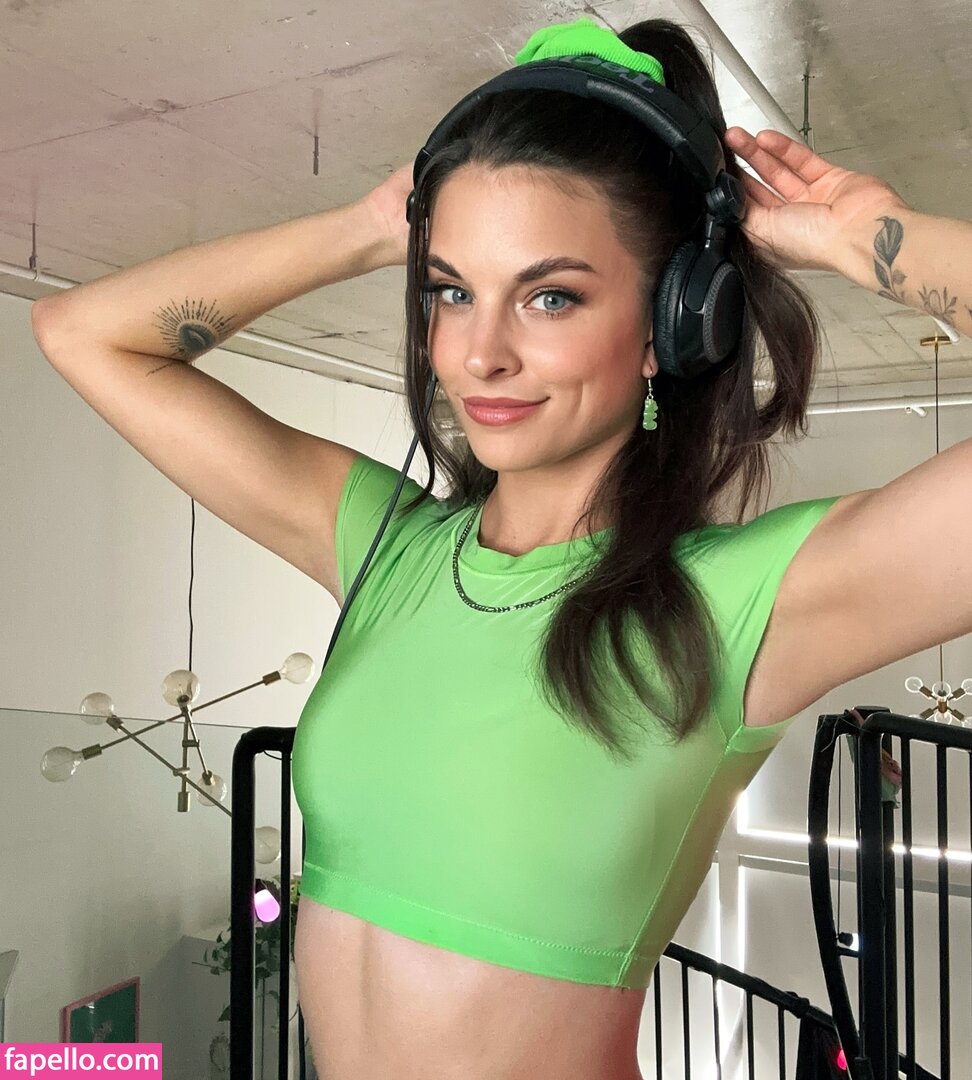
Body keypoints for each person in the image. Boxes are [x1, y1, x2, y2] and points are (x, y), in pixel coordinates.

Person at [29, 14, 971, 1080]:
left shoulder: (742, 603)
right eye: (451, 290)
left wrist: (869, 240)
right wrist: (370, 227)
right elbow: (84, 333)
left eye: (550, 296)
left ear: (674, 322)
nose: (480, 354)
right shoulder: (385, 547)